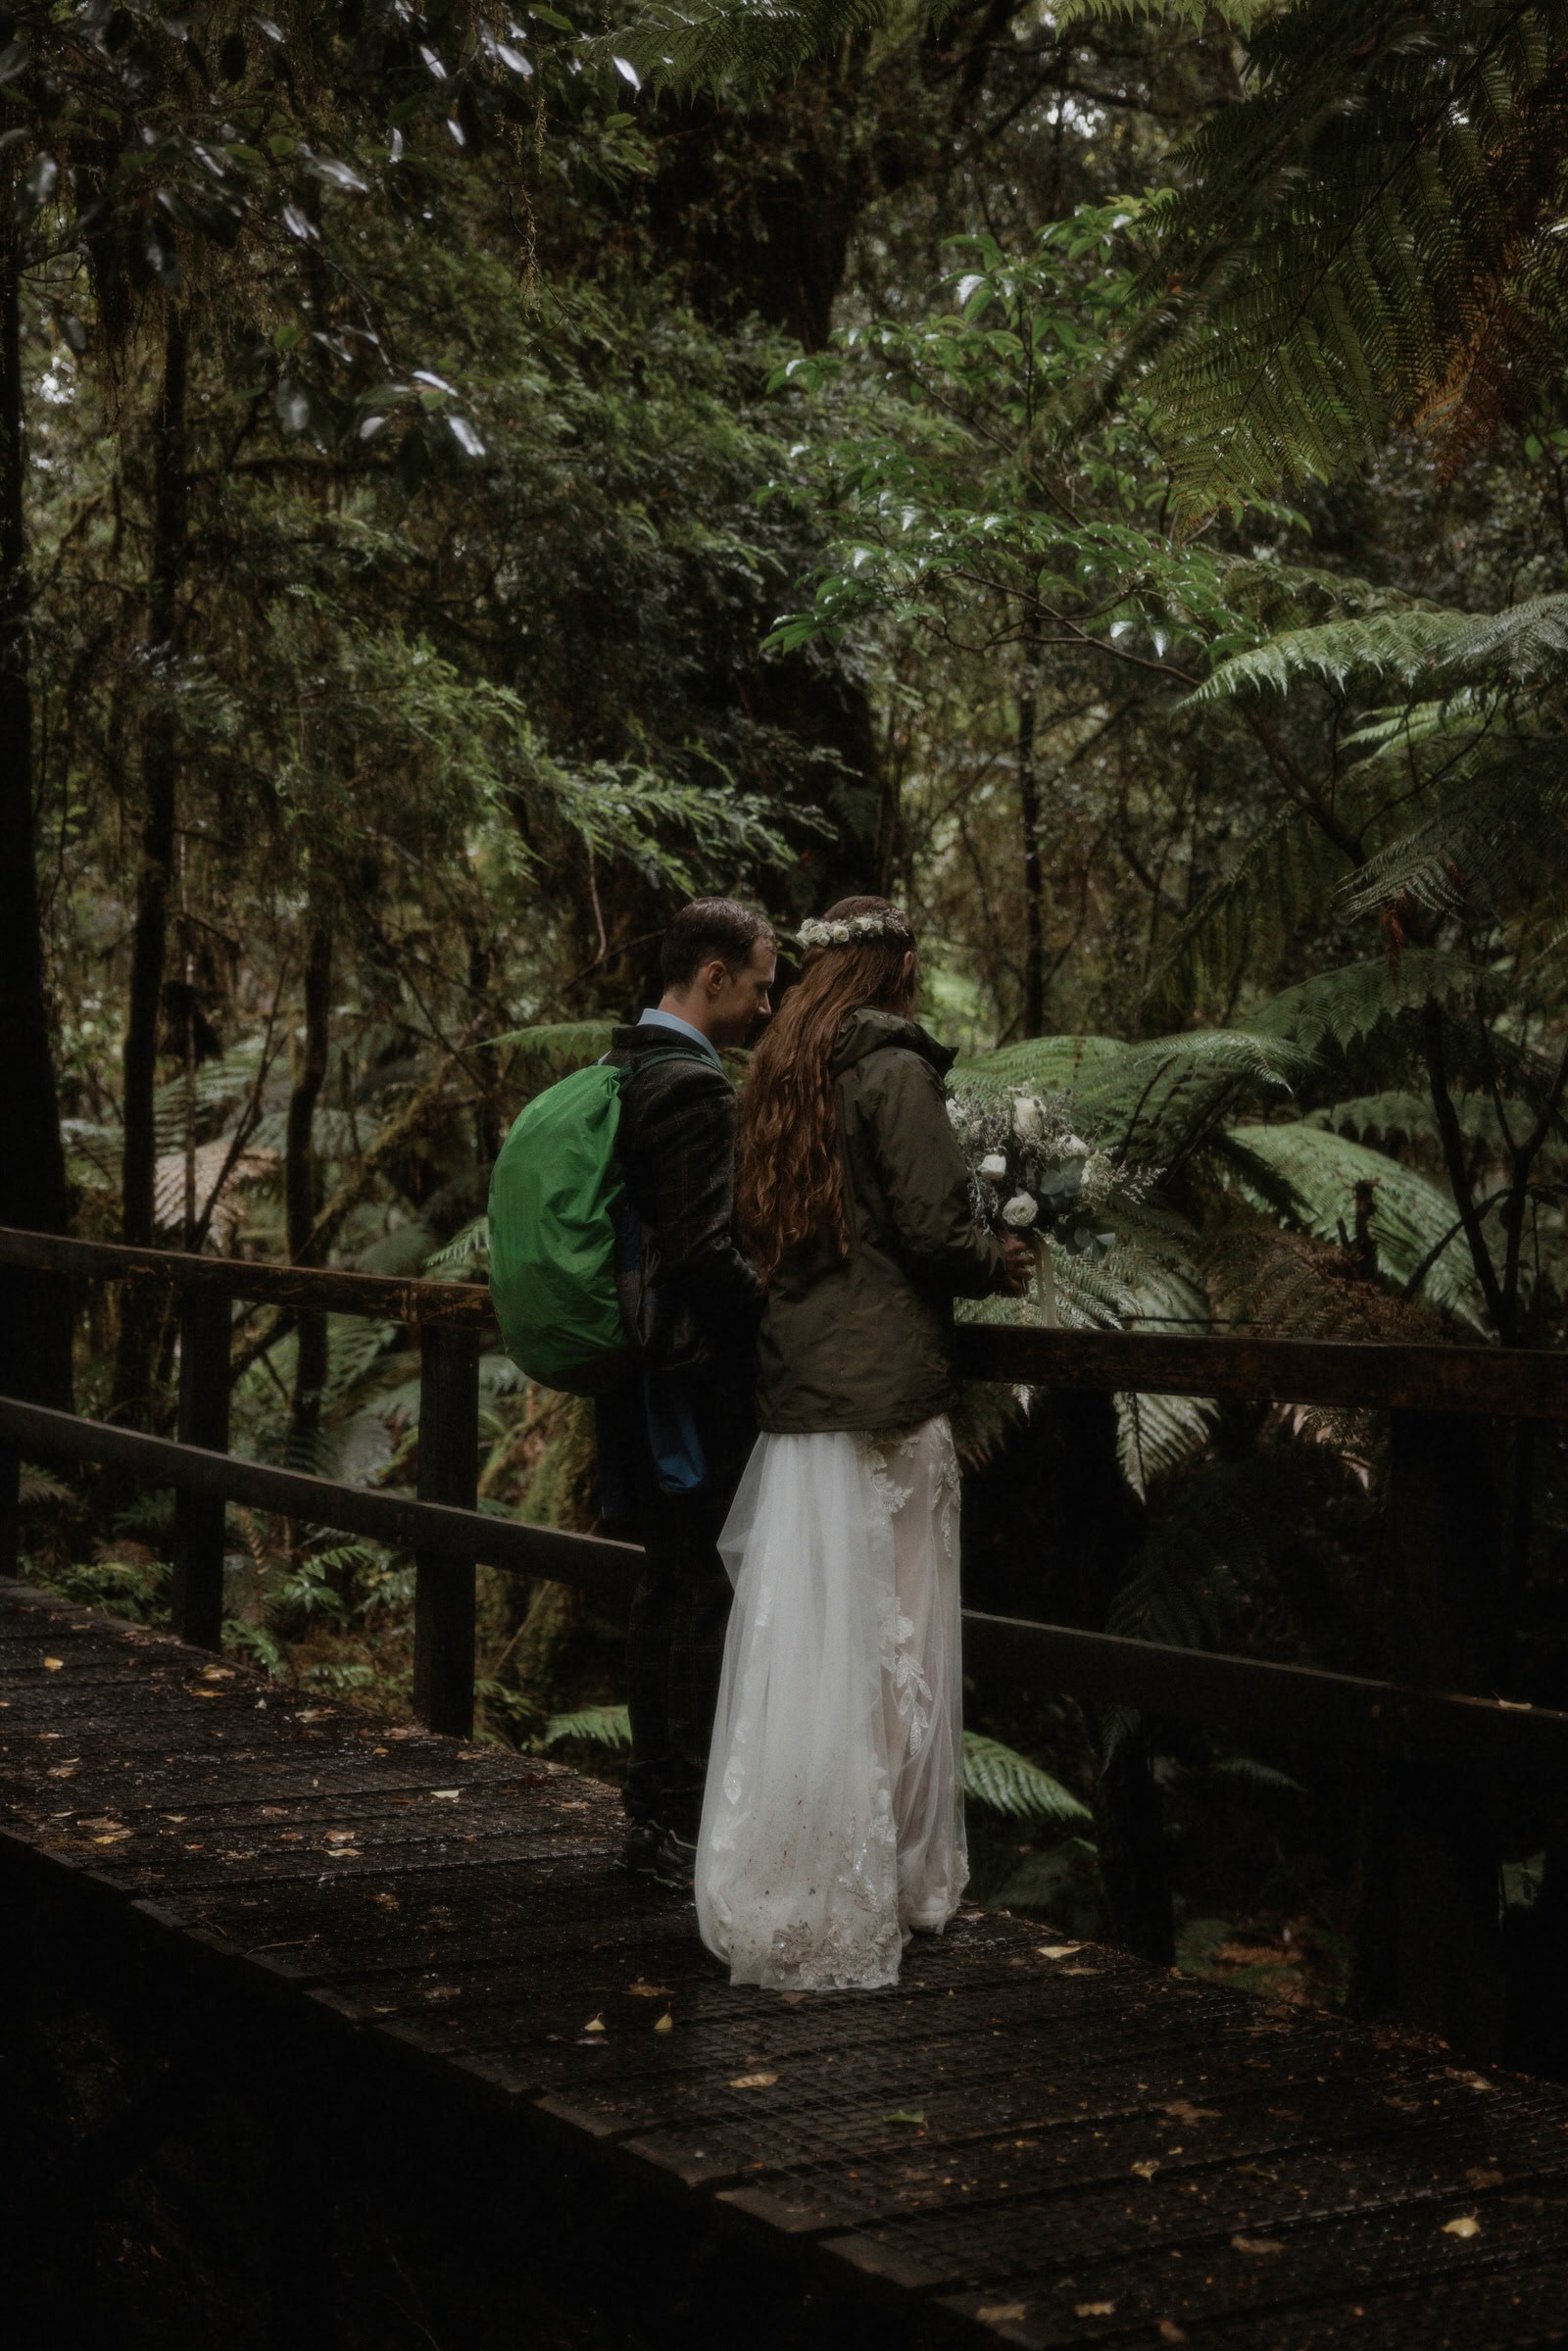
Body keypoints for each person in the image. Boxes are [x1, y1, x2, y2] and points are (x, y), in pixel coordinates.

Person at [694, 896, 1028, 1990]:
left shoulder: (775, 1075)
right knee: (902, 1643)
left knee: (807, 1641)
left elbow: (753, 1229)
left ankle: (791, 1872)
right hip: (886, 1398)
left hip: (798, 1392)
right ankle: (888, 1879)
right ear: (892, 971)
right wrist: (1004, 1253)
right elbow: (934, 1228)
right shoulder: (894, 1069)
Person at [596, 898, 777, 1888]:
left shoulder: (622, 1062)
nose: (762, 1004)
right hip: (685, 1385)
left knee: (665, 1584)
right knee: (699, 1589)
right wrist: (776, 1326)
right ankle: (672, 1822)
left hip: (637, 1371)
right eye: (757, 984)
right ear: (712, 977)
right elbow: (704, 1250)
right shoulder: (692, 1089)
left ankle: (649, 1813)